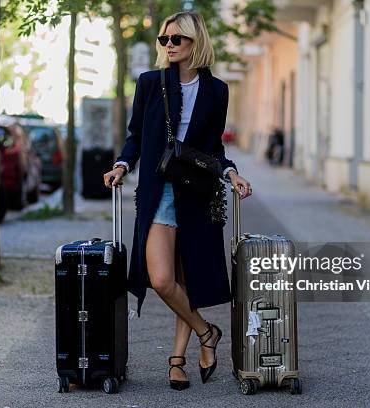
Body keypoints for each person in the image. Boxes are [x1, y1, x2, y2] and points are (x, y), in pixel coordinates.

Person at [102, 11, 252, 391]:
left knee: (186, 278)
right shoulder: (151, 84)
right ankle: (208, 333)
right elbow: (135, 135)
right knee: (162, 279)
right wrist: (121, 165)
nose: (168, 45)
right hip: (159, 193)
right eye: (164, 40)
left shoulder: (217, 90)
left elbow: (213, 145)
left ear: (194, 42)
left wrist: (231, 173)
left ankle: (176, 360)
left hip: (197, 192)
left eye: (176, 40)